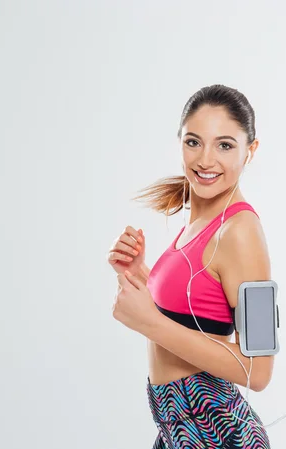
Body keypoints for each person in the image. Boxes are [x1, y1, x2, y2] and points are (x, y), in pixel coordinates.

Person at [107, 84, 274, 448]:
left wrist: (148, 323)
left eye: (225, 145)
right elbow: (192, 314)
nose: (205, 160)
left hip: (219, 436)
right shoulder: (197, 224)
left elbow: (258, 370)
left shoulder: (240, 232)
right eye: (194, 142)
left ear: (251, 151)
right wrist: (138, 274)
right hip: (176, 433)